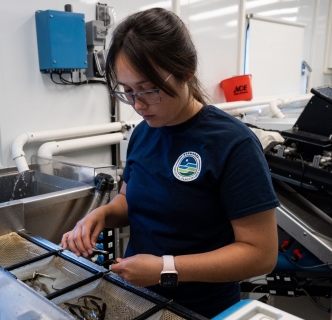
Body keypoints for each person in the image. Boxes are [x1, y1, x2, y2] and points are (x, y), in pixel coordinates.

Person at [61, 8, 279, 318]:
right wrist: (102, 215)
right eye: (127, 91)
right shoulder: (142, 134)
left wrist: (167, 269)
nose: (137, 104)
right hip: (136, 297)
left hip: (200, 309)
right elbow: (129, 198)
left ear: (185, 71)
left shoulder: (233, 144)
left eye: (149, 89)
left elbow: (261, 255)